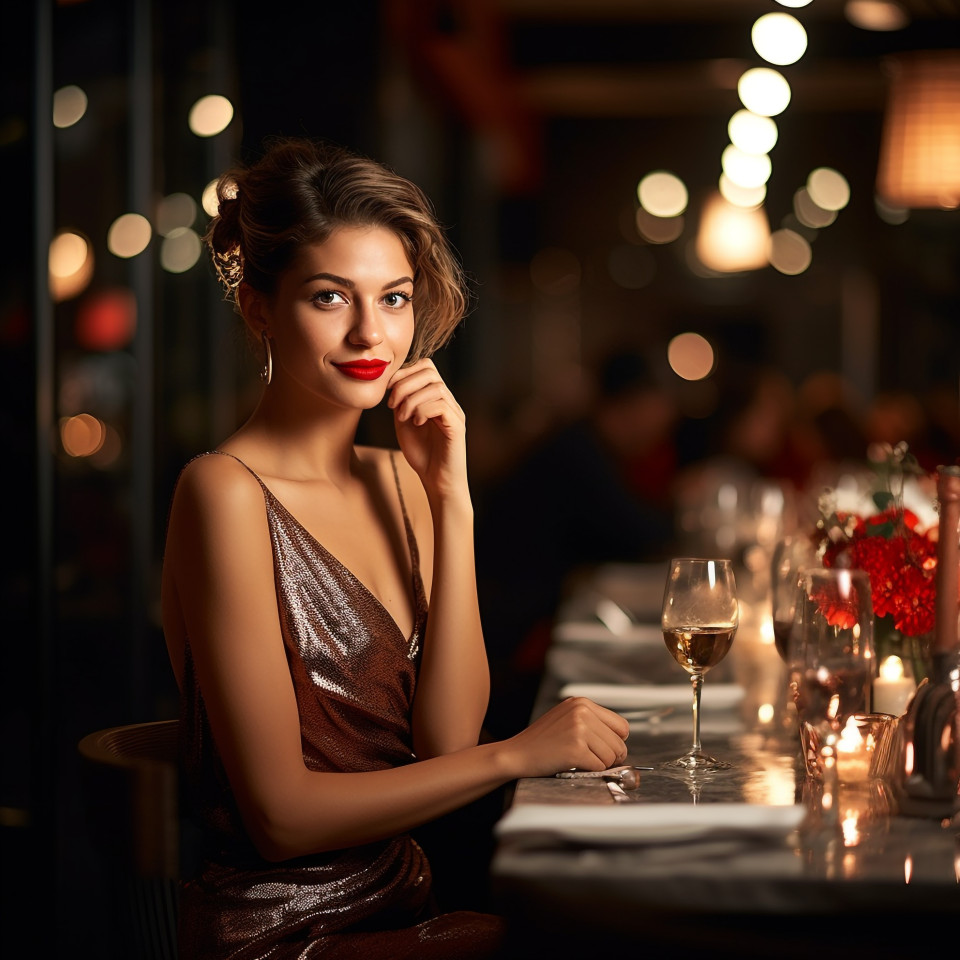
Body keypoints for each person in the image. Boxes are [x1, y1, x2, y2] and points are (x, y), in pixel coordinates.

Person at [160, 137, 629, 960]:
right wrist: (515, 755)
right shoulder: (222, 492)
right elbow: (279, 819)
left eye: (396, 297)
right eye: (331, 297)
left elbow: (447, 741)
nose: (372, 333)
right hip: (283, 932)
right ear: (259, 307)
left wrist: (453, 498)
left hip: (407, 906)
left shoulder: (403, 479)